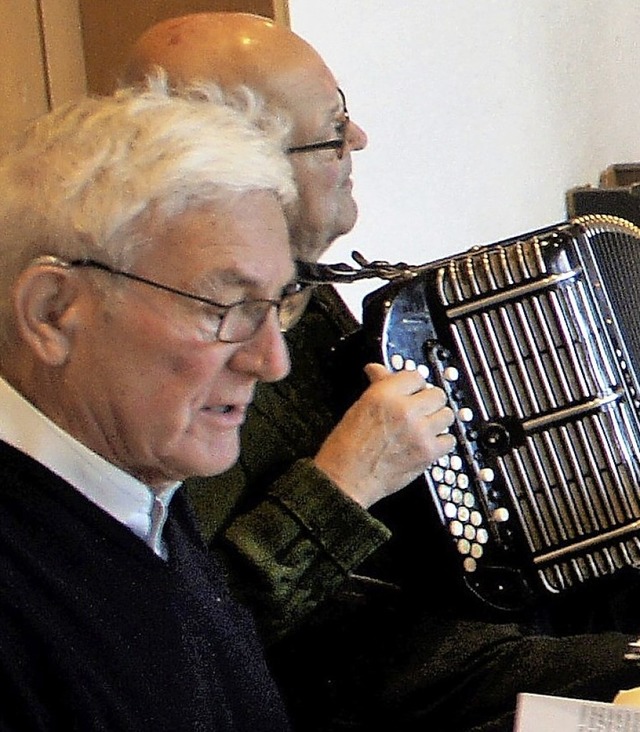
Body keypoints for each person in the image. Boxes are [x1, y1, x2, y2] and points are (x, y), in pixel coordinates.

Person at [124, 13, 640, 732]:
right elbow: (193, 641)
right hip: (374, 680)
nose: (357, 140)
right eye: (334, 128)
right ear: (249, 168)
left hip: (459, 622)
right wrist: (347, 478)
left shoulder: (305, 289)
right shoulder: (173, 356)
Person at [0, 77, 301, 731]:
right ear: (53, 313)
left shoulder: (138, 485)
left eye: (280, 304)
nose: (270, 361)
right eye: (226, 308)